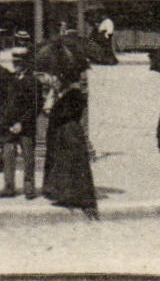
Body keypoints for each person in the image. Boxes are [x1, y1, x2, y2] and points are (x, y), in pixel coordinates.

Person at [41, 73, 97, 219]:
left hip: (70, 132)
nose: (56, 82)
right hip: (63, 132)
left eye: (59, 80)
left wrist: (54, 103)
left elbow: (61, 113)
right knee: (64, 163)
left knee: (74, 164)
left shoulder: (74, 95)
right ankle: (66, 195)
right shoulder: (65, 94)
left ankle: (82, 199)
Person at [0, 47, 39, 197]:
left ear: (26, 63)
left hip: (25, 126)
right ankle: (9, 186)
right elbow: (5, 102)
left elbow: (35, 106)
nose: (16, 65)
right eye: (15, 62)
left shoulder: (33, 81)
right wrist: (7, 123)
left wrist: (22, 123)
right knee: (8, 155)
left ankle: (29, 186)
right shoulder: (9, 80)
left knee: (28, 156)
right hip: (10, 126)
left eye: (19, 62)